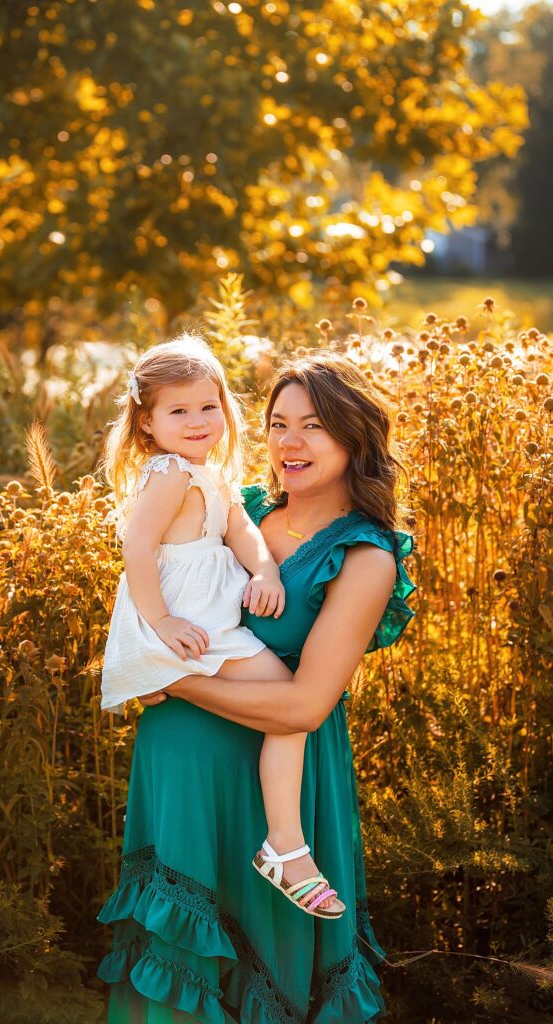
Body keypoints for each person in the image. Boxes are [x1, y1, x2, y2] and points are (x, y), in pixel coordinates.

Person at [97, 350, 416, 1024]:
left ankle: (285, 849)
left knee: (268, 953)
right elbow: (154, 576)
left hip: (280, 766)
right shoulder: (230, 504)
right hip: (182, 760)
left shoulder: (364, 556)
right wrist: (151, 647)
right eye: (278, 424)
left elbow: (304, 703)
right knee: (183, 961)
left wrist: (172, 680)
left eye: (314, 426)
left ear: (355, 436)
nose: (289, 443)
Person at [101, 335, 345, 918]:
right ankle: (284, 846)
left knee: (289, 711)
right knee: (292, 707)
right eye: (178, 410)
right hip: (186, 625)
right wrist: (159, 621)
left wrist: (266, 574)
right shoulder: (167, 474)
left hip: (208, 625)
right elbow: (135, 545)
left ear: (226, 410)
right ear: (147, 423)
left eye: (208, 406)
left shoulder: (208, 475)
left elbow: (244, 535)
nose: (196, 420)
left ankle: (284, 844)